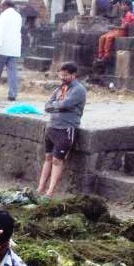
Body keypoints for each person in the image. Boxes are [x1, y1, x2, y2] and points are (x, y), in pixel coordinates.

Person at [37, 62, 87, 198]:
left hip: (66, 128)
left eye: (65, 75)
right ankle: (40, 188)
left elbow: (67, 104)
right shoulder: (59, 88)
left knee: (57, 160)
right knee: (47, 157)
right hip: (52, 126)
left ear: (73, 75)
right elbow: (47, 105)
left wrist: (56, 105)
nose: (62, 77)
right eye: (61, 74)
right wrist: (57, 106)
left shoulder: (79, 90)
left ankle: (50, 192)